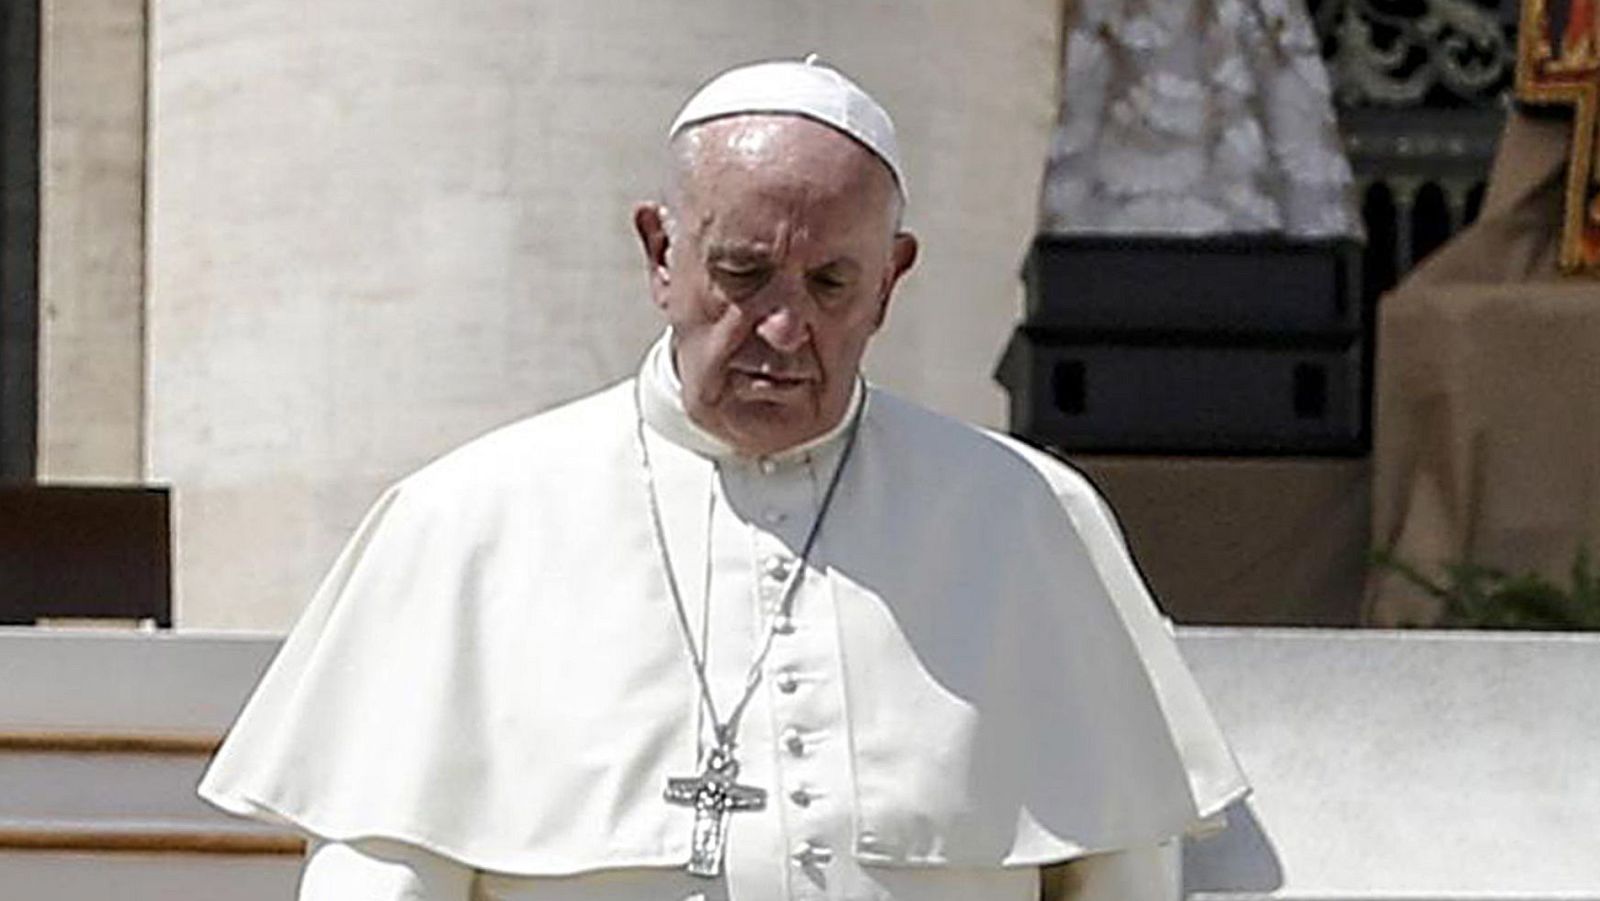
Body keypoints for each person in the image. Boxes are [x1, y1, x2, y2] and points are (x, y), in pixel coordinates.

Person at [199, 57, 1246, 900]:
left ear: (891, 281)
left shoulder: (1027, 519)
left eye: (831, 283)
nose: (784, 327)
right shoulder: (465, 523)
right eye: (743, 273)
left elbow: (1124, 870)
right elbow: (383, 875)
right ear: (661, 252)